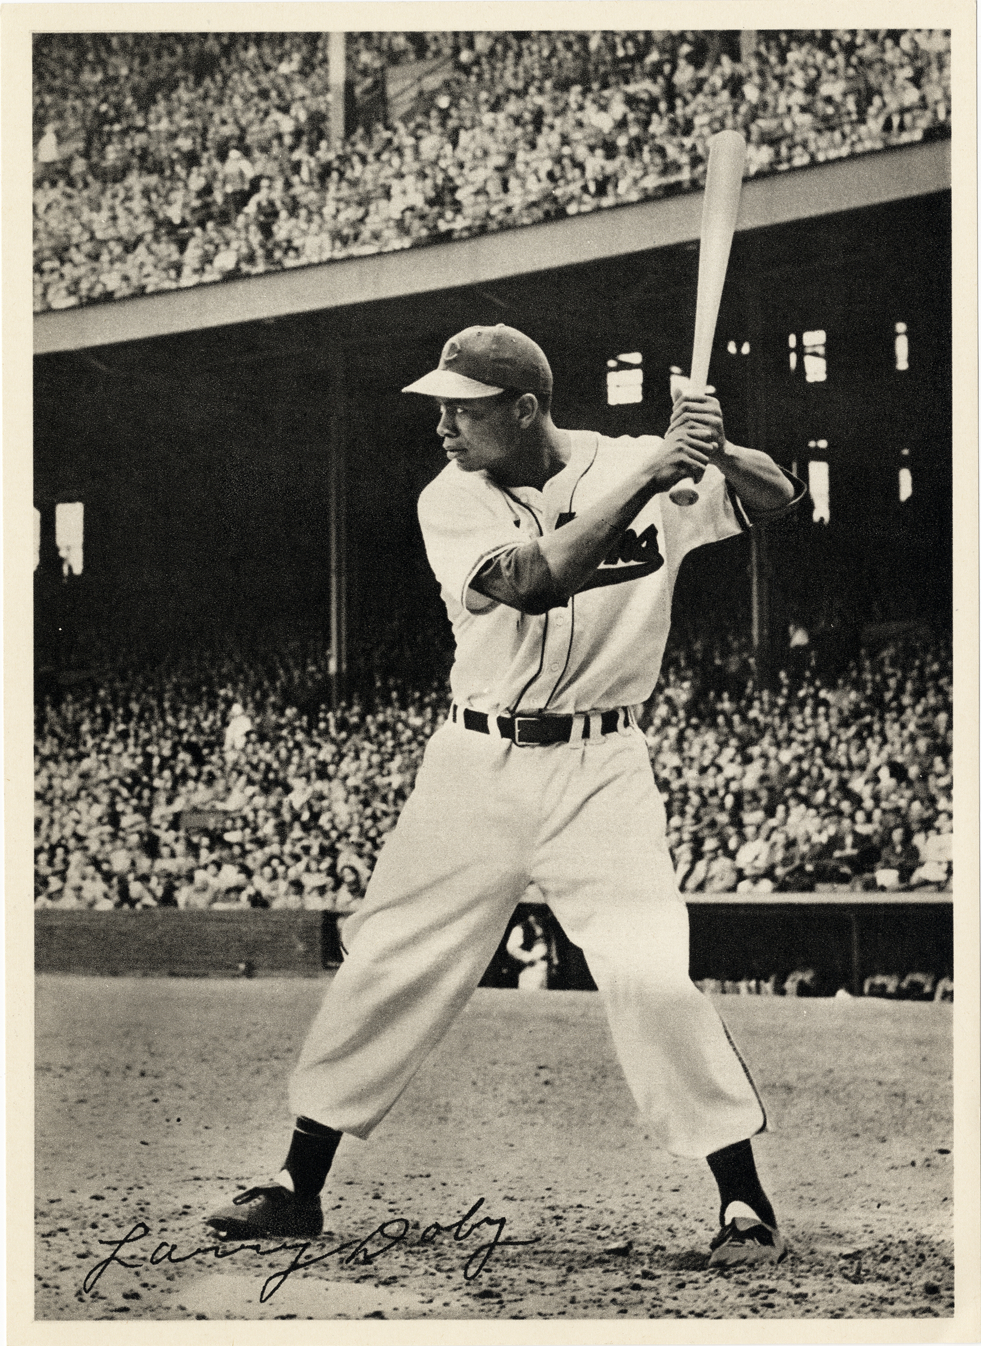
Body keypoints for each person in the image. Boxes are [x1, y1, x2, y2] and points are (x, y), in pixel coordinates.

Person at [204, 323, 801, 1267]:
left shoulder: (642, 460)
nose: (443, 425)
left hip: (601, 767)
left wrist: (715, 447)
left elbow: (776, 501)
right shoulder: (452, 497)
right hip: (475, 764)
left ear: (524, 410)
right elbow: (533, 580)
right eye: (440, 406)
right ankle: (296, 1185)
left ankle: (741, 1201)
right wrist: (650, 476)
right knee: (392, 959)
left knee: (649, 971)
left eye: (464, 409)